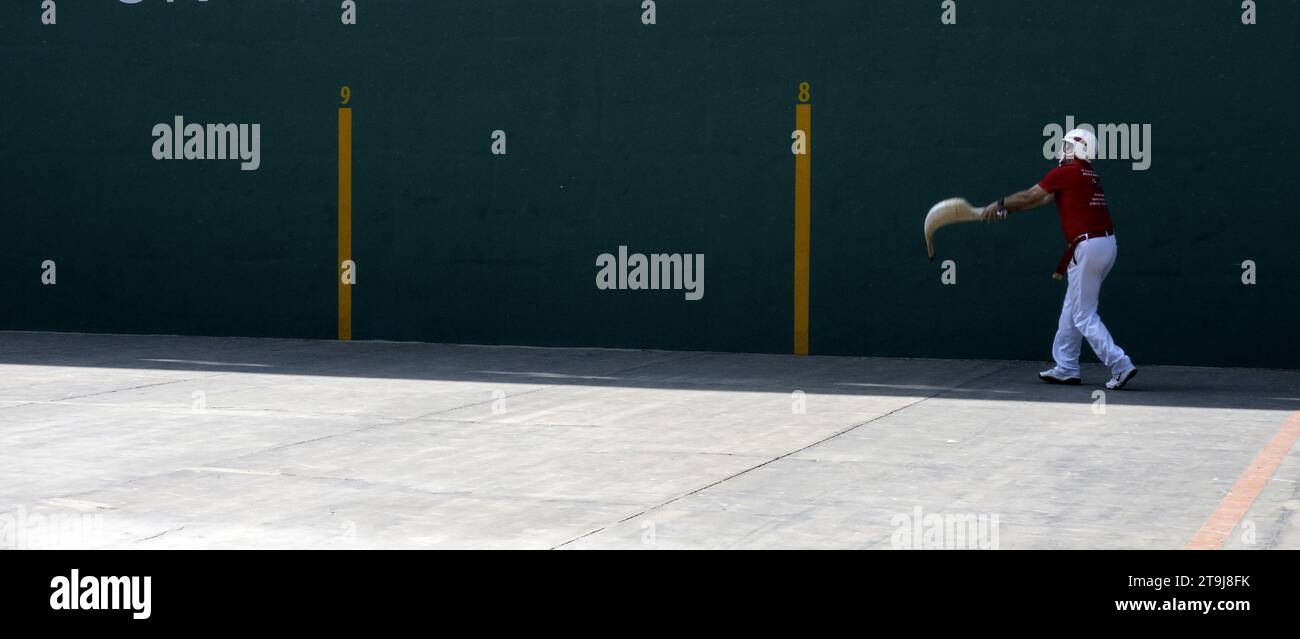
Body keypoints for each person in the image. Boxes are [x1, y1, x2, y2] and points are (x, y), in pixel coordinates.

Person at [980, 128, 1138, 390]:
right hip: (1105, 244)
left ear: (1079, 149)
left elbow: (1031, 195)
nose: (1061, 151)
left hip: (1087, 247)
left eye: (1067, 146)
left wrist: (999, 203)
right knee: (1072, 308)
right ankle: (1066, 367)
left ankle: (1120, 364)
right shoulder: (1087, 174)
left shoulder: (1067, 172)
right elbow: (1042, 199)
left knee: (1083, 314)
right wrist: (1007, 209)